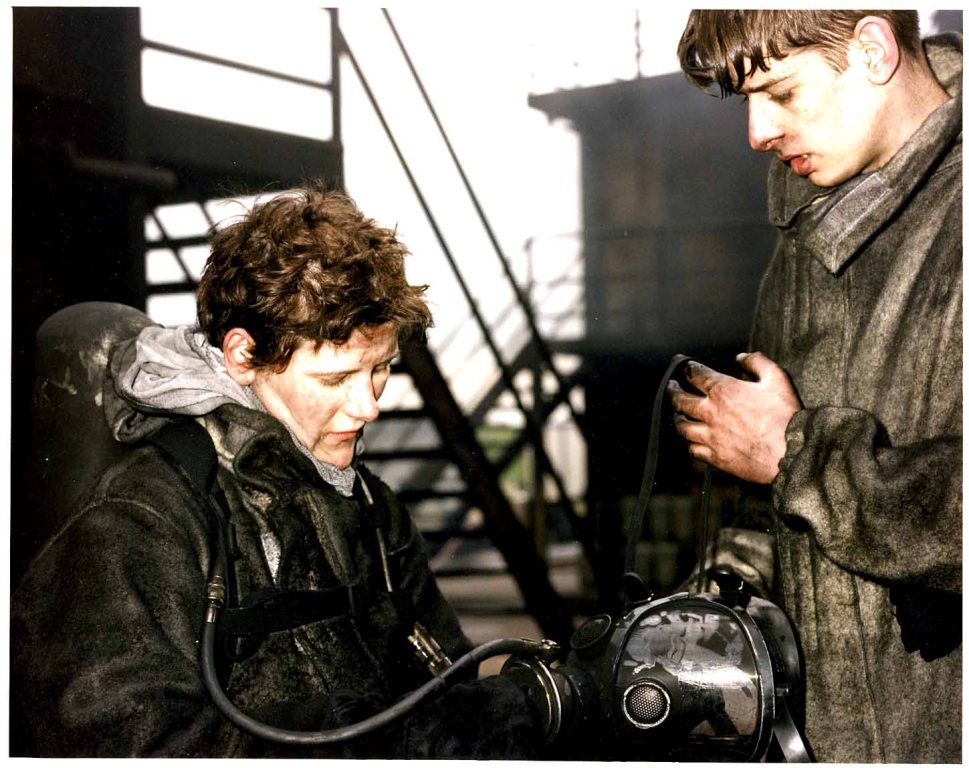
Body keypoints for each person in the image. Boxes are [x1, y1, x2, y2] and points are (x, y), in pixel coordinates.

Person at [11, 184, 539, 757]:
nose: (369, 407)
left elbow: (445, 681)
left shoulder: (370, 506)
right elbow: (123, 746)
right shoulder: (141, 521)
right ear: (243, 356)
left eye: (381, 369)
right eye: (336, 379)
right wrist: (372, 743)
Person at [670, 10, 961, 763]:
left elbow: (788, 461)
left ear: (870, 49)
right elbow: (778, 511)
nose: (756, 134)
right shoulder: (805, 242)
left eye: (781, 94)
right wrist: (713, 603)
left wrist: (793, 453)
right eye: (745, 103)